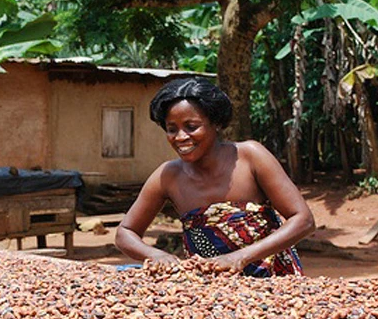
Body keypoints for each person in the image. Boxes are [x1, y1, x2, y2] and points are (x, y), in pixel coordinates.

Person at [115, 77, 315, 277]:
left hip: (273, 280)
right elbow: (125, 233)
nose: (181, 137)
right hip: (211, 289)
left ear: (216, 123)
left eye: (191, 126)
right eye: (171, 129)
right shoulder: (168, 176)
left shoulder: (250, 157)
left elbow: (303, 220)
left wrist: (241, 257)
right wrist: (155, 255)